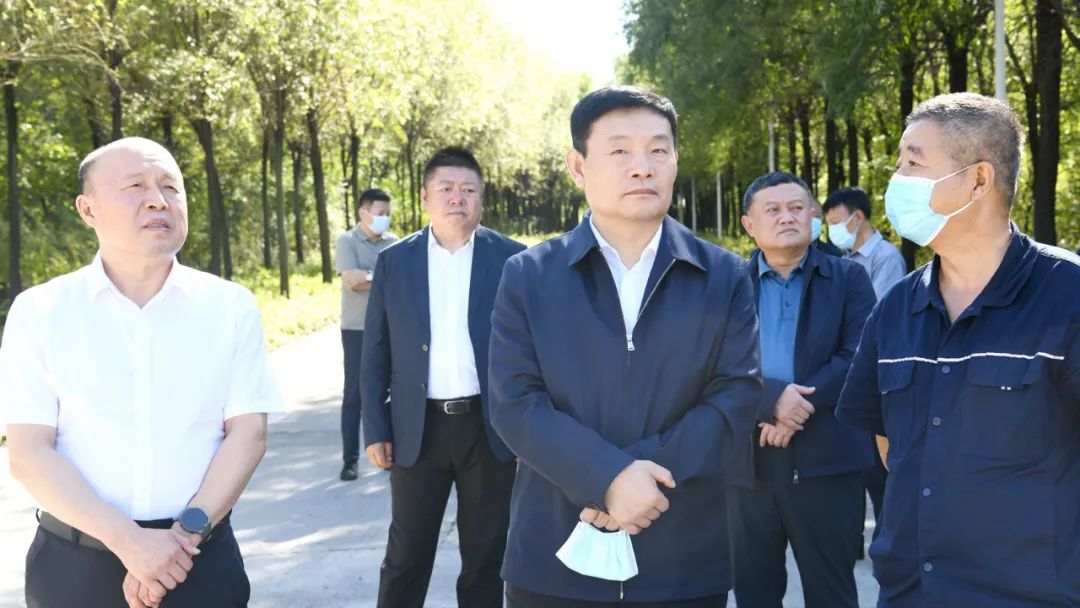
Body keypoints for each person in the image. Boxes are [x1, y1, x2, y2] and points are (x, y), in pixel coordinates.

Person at [489, 85, 762, 606]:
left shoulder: (723, 274)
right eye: (619, 150)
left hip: (683, 556)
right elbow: (515, 404)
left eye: (658, 150)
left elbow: (735, 396)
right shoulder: (529, 275)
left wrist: (633, 482)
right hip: (554, 553)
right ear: (578, 166)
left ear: (675, 161)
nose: (642, 167)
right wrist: (606, 478)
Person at [0, 137, 284, 608]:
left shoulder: (229, 307)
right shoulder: (41, 311)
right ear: (88, 209)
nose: (158, 200)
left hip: (198, 556)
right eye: (135, 186)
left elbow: (248, 434)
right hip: (74, 566)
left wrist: (180, 541)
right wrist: (131, 544)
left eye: (170, 187)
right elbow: (29, 451)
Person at [837, 92, 1080, 607]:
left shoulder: (1067, 294)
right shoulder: (897, 308)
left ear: (979, 180)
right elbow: (890, 446)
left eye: (913, 162)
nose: (897, 178)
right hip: (911, 592)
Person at [361, 146, 525, 608]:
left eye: (469, 189)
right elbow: (375, 351)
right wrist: (376, 428)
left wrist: (527, 430)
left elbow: (533, 352)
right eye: (447, 188)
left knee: (486, 558)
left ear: (481, 198)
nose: (458, 198)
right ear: (425, 197)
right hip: (417, 430)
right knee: (406, 556)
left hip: (490, 430)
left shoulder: (513, 259)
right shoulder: (395, 261)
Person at [729, 171, 875, 608]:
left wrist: (794, 409)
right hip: (747, 465)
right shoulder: (727, 285)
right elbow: (709, 362)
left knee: (832, 592)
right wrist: (770, 401)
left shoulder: (848, 278)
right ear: (749, 224)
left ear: (812, 216)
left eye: (797, 208)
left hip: (828, 461)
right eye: (772, 210)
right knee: (754, 593)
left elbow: (861, 356)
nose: (787, 217)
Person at [335, 188, 398, 481]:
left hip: (392, 327)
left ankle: (392, 452)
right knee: (355, 394)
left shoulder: (394, 243)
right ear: (364, 212)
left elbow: (400, 280)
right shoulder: (347, 241)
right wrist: (383, 277)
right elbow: (352, 281)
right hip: (357, 329)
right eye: (379, 213)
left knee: (395, 389)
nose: (384, 218)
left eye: (387, 213)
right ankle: (350, 460)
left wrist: (369, 276)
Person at [822, 187, 906, 299]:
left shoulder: (886, 257)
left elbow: (881, 307)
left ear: (858, 217)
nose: (832, 229)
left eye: (835, 223)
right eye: (829, 224)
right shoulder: (846, 258)